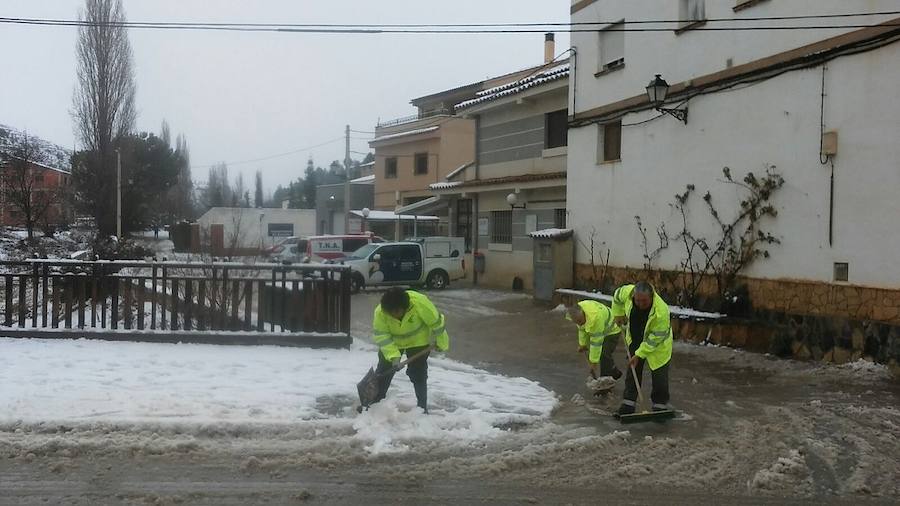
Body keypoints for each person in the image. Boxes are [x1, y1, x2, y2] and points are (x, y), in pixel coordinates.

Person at [370, 287, 449, 413]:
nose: (393, 315)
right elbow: (382, 336)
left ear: (405, 307)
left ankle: (422, 406)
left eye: (396, 311)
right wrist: (393, 356)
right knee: (384, 371)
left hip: (417, 340)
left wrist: (442, 342)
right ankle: (374, 404)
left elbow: (436, 323)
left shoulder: (420, 303)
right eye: (391, 312)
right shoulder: (380, 312)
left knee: (419, 373)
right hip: (394, 343)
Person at [611, 282, 673, 415]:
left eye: (644, 301)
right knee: (633, 370)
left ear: (652, 297)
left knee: (659, 374)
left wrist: (640, 354)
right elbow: (616, 297)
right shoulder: (627, 293)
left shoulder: (661, 312)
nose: (640, 304)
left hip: (658, 344)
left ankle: (659, 405)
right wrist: (618, 313)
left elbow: (655, 339)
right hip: (636, 337)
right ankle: (628, 404)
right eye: (637, 300)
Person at [566, 300, 622, 382]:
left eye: (580, 321)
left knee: (604, 354)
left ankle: (604, 382)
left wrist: (594, 362)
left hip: (612, 329)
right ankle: (614, 372)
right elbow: (582, 329)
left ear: (583, 314)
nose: (579, 324)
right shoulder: (578, 313)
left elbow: (596, 342)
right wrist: (583, 344)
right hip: (601, 327)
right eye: (577, 322)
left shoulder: (596, 318)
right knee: (601, 354)